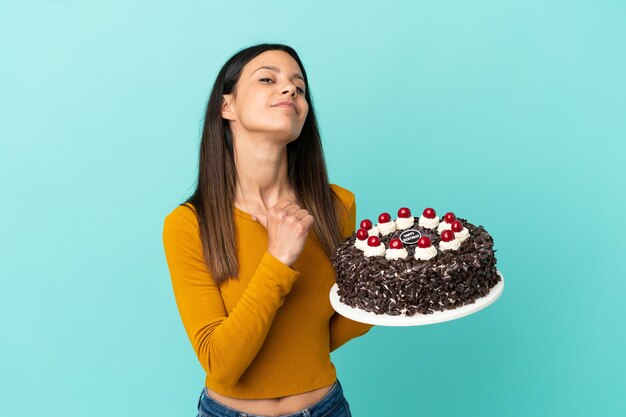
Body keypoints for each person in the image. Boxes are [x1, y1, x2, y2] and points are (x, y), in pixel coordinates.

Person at [162, 43, 375, 417]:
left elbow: (329, 333)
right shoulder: (188, 225)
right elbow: (220, 363)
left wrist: (387, 293)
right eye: (267, 79)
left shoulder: (336, 206)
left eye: (300, 87)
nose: (290, 89)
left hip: (325, 407)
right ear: (226, 106)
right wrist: (278, 259)